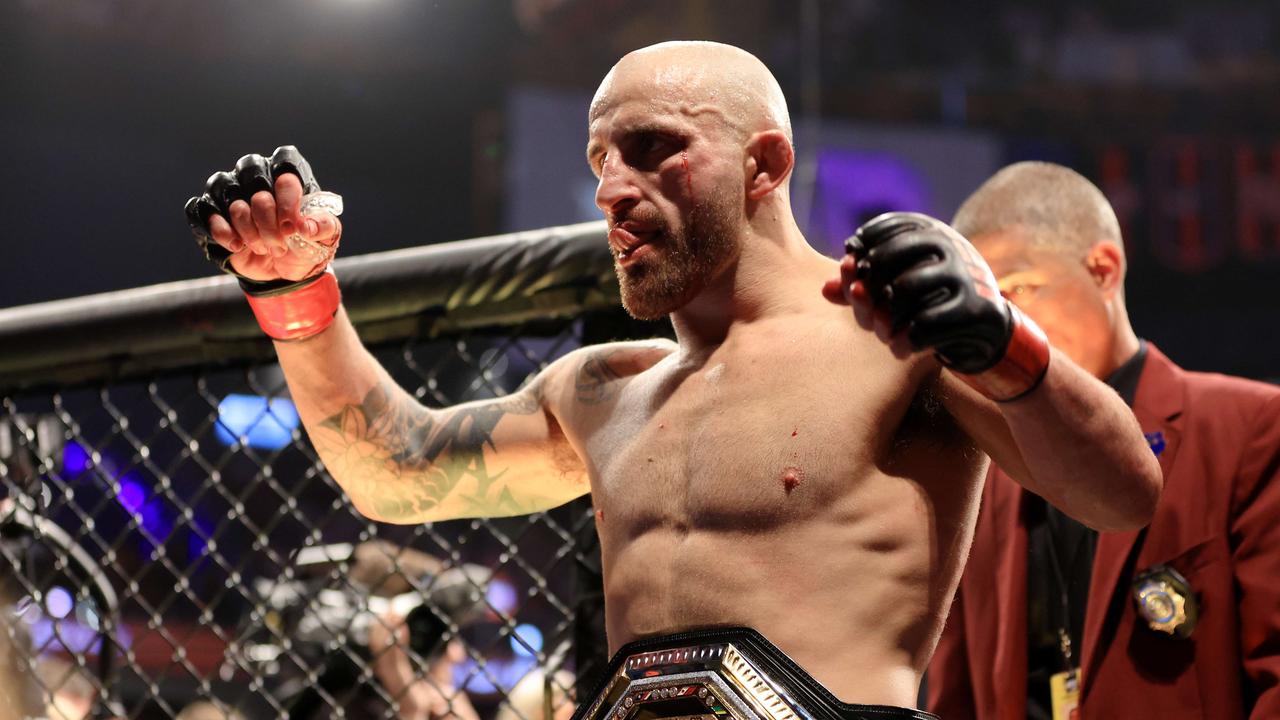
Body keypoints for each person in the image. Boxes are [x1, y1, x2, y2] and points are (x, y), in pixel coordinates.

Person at [183, 42, 1161, 716]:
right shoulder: (602, 390)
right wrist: (295, 292)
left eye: (653, 149)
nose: (612, 186)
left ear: (762, 164)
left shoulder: (888, 338)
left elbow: (1119, 492)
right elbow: (396, 470)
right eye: (600, 157)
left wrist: (1000, 338)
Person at [927, 162, 1280, 719]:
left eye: (1015, 291)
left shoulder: (1252, 427)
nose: (997, 328)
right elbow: (956, 699)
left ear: (1104, 270)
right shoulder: (986, 472)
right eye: (983, 306)